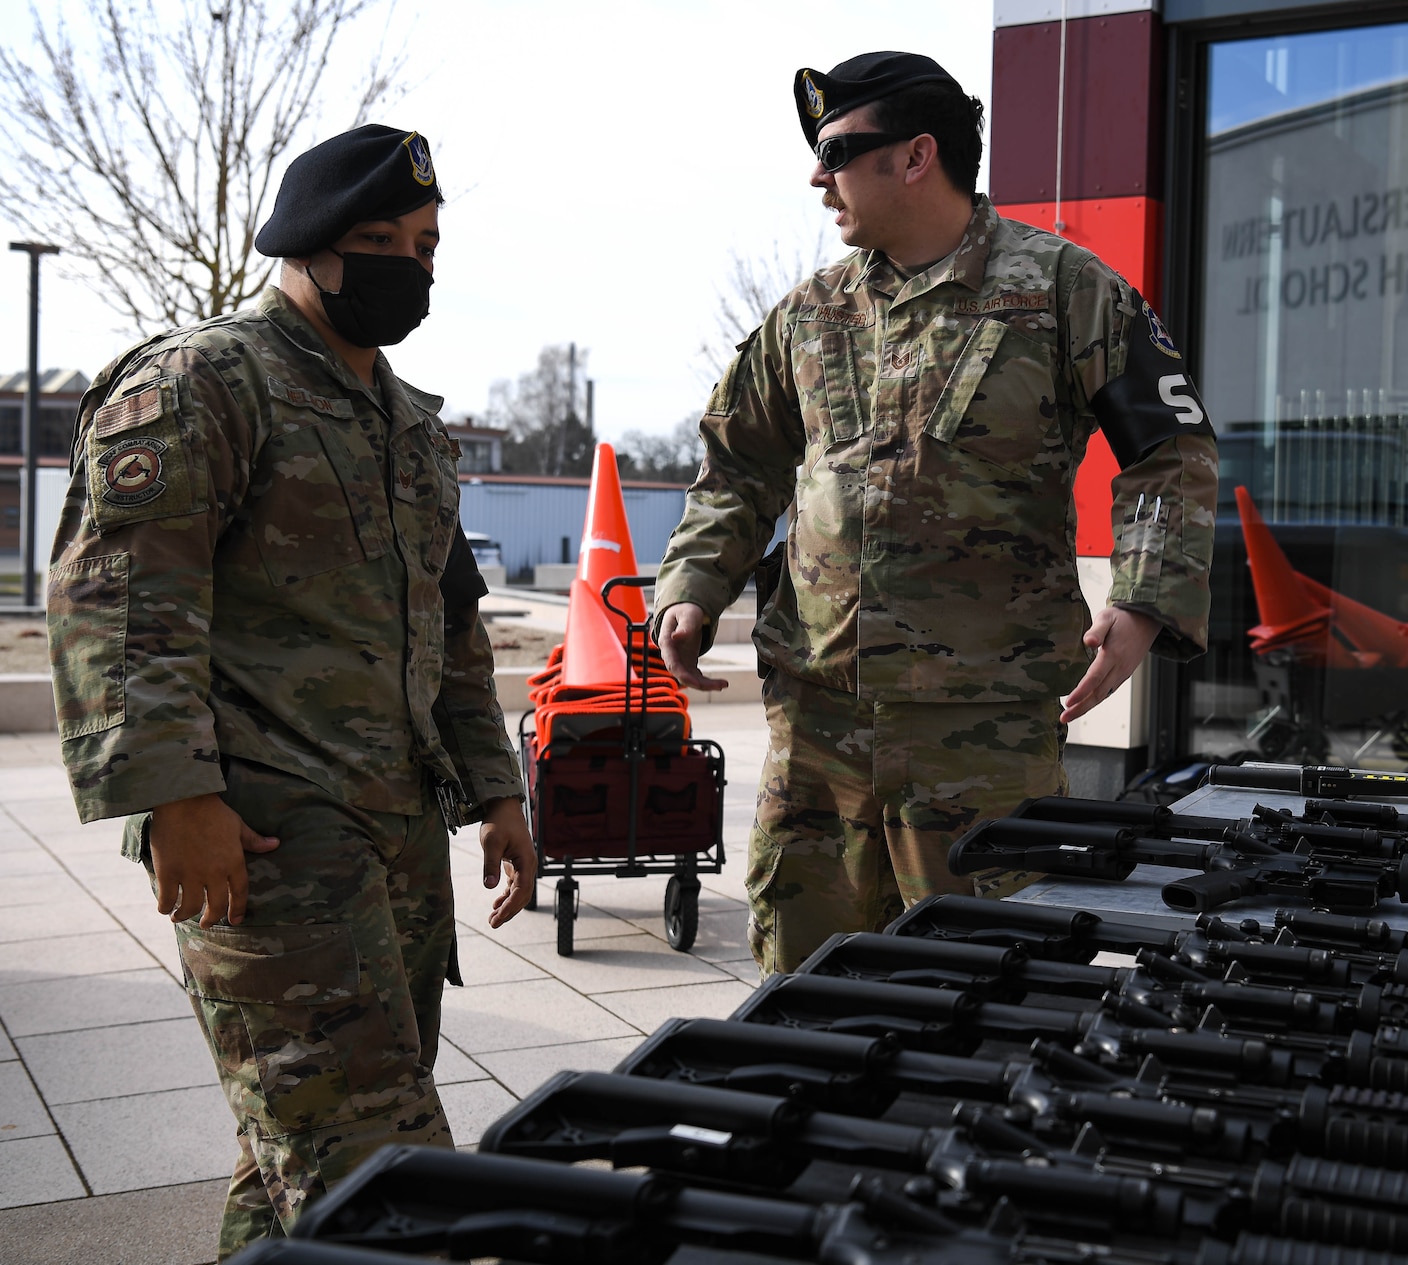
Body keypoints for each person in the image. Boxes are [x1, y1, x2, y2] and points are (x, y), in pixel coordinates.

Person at [45, 125, 534, 1256]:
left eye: (424, 244)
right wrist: (174, 797)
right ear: (308, 244)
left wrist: (493, 791)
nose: (408, 266)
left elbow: (449, 627)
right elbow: (120, 605)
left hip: (395, 843)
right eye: (378, 241)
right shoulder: (204, 382)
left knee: (298, 1163)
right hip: (266, 844)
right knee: (381, 1169)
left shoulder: (412, 426)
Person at [654, 52, 1219, 975]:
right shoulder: (810, 315)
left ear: (916, 156)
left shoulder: (1067, 292)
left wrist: (1144, 596)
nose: (815, 175)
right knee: (804, 993)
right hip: (819, 730)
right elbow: (738, 464)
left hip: (981, 734)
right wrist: (693, 583)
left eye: (835, 149)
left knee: (992, 987)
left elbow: (1172, 448)